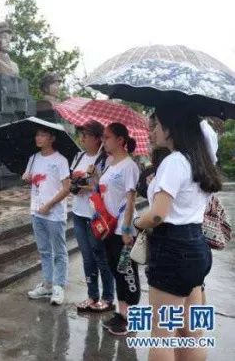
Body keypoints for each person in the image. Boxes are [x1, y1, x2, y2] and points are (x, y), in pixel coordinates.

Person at [134, 106, 220, 361]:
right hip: (196, 248)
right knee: (192, 330)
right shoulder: (200, 159)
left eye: (157, 125)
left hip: (172, 249)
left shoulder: (174, 161)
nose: (154, 131)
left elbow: (158, 214)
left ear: (171, 128)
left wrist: (137, 223)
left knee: (161, 334)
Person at [99, 123, 141, 336]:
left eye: (107, 137)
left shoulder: (129, 166)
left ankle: (130, 318)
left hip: (123, 230)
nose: (103, 140)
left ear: (120, 140)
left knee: (127, 272)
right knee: (116, 270)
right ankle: (120, 312)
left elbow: (130, 200)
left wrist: (125, 230)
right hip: (108, 227)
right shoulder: (109, 162)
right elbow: (105, 191)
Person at [70, 121, 115, 313]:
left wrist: (90, 183)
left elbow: (105, 188)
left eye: (86, 136)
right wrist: (75, 185)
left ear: (98, 139)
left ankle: (108, 297)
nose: (83, 139)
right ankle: (92, 295)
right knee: (87, 257)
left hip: (96, 216)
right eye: (81, 135)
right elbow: (71, 178)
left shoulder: (106, 160)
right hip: (79, 213)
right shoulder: (79, 156)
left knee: (100, 256)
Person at [22, 127, 71, 305]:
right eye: (37, 134)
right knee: (44, 250)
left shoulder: (60, 160)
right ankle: (47, 284)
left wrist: (49, 205)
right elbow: (33, 181)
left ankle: (59, 286)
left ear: (52, 138)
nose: (38, 137)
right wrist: (27, 178)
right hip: (36, 211)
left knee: (59, 251)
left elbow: (67, 188)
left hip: (54, 213)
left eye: (42, 134)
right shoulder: (33, 158)